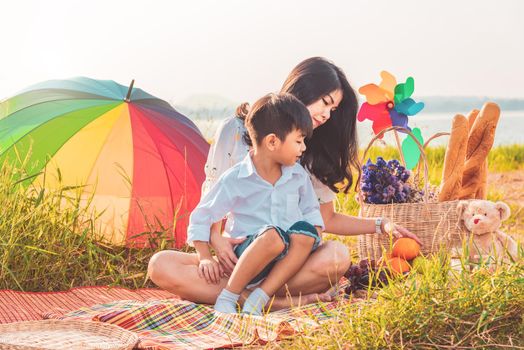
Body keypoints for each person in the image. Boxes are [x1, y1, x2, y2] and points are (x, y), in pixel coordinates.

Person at [148, 57, 421, 309]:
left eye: (333, 109)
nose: (327, 115)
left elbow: (325, 220)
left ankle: (243, 295)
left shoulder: (310, 156)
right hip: (239, 255)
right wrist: (216, 242)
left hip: (287, 263)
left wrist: (379, 225)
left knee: (337, 256)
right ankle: (268, 300)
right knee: (161, 264)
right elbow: (213, 195)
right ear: (303, 88)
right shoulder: (237, 129)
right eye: (325, 102)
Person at [188, 93, 323, 315]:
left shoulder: (298, 176)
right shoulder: (235, 178)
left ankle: (258, 299)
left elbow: (310, 210)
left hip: (285, 261)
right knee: (273, 236)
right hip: (246, 256)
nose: (303, 148)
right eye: (299, 141)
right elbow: (202, 215)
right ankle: (228, 297)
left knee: (310, 236)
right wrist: (205, 256)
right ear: (272, 141)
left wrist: (312, 238)